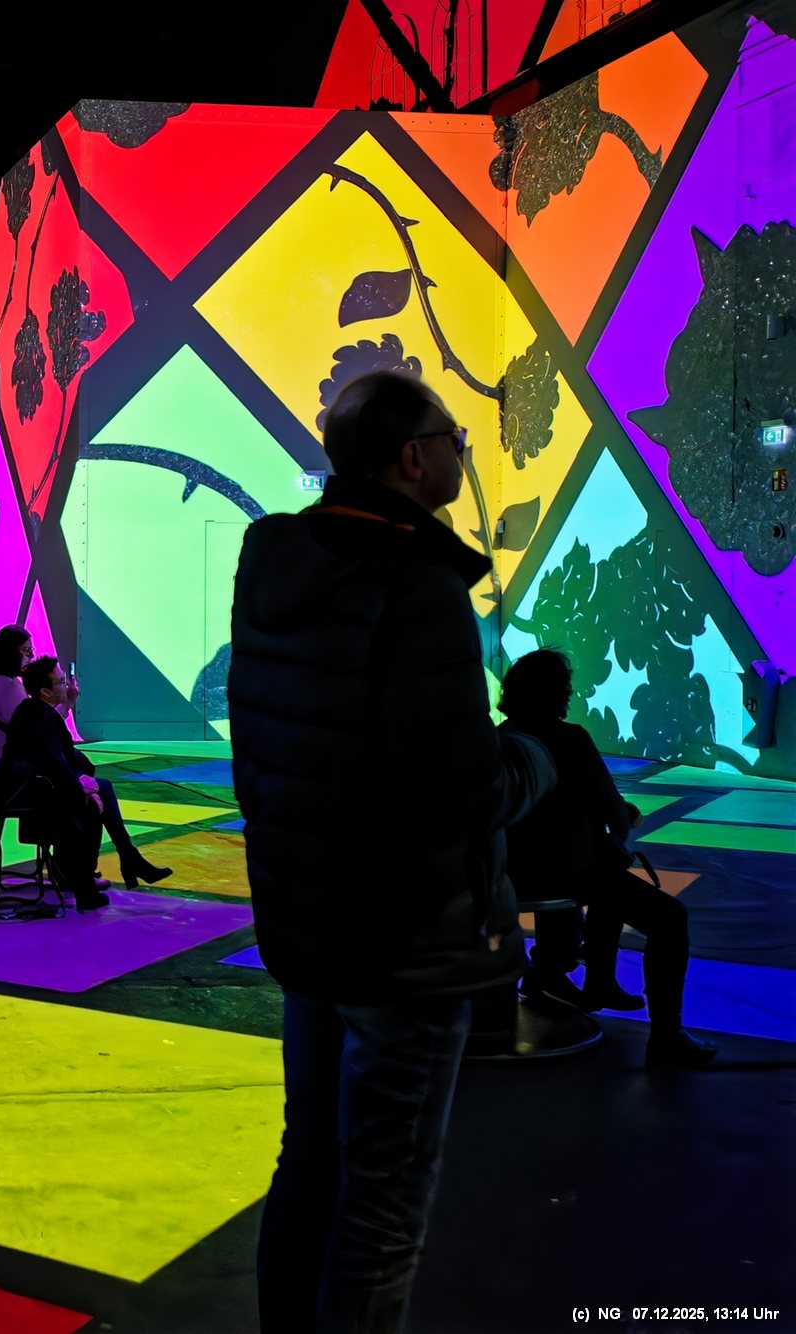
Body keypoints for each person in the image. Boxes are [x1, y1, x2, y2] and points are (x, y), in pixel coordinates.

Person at [229, 370, 555, 1333]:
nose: (461, 451)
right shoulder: (418, 586)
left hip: (307, 930)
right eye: (454, 438)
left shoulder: (274, 562)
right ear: (414, 459)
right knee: (382, 1208)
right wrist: (535, 758)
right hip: (406, 949)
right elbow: (460, 792)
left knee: (308, 1164)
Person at [497, 649, 715, 1067]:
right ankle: (666, 1035)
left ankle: (590, 980)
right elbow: (615, 813)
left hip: (511, 875)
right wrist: (624, 816)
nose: (569, 692)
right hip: (568, 874)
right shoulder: (571, 739)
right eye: (564, 686)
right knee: (668, 917)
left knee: (606, 877)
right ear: (555, 693)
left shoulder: (498, 738)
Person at [0, 625, 170, 887]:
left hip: (4, 773)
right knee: (88, 793)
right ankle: (84, 872)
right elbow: (40, 733)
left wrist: (63, 704)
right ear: (10, 652)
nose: (31, 656)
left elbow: (41, 732)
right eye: (26, 651)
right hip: (4, 779)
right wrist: (65, 704)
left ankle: (98, 866)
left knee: (90, 787)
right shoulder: (6, 687)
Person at [0, 656, 112, 910]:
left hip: (32, 784)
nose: (65, 684)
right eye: (61, 681)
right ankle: (84, 880)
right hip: (23, 789)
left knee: (97, 792)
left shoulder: (36, 710)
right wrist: (83, 790)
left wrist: (84, 786)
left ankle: (98, 871)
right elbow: (56, 762)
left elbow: (60, 759)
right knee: (85, 804)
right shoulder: (31, 710)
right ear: (45, 691)